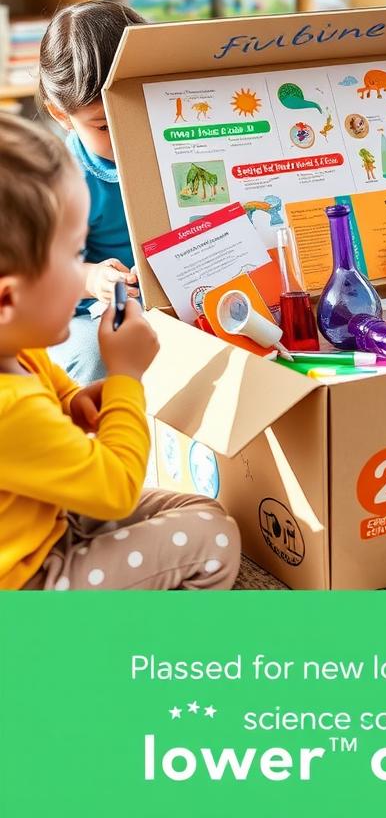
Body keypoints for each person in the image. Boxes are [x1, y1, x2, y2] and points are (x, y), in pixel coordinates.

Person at [0, 114, 241, 591]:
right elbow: (115, 490)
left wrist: (79, 403)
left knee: (199, 509)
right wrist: (126, 376)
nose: (82, 272)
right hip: (28, 581)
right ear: (8, 300)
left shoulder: (19, 353)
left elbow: (58, 406)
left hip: (45, 524)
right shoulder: (10, 406)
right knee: (213, 539)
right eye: (74, 258)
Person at [37, 0, 145, 384]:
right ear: (62, 117)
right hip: (84, 312)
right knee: (93, 352)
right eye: (102, 126)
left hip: (167, 299)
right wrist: (92, 278)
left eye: (134, 115)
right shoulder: (65, 178)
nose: (122, 136)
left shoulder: (168, 144)